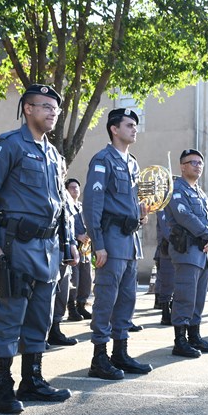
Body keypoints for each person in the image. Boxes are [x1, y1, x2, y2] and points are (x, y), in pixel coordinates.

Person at [0, 84, 76, 414]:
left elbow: (62, 204)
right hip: (16, 244)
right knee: (10, 315)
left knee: (40, 317)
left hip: (49, 247)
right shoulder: (10, 145)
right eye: (45, 106)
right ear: (28, 109)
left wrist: (68, 242)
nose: (52, 113)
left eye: (56, 109)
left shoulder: (54, 155)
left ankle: (31, 380)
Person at [83, 108, 152, 380]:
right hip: (110, 240)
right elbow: (92, 205)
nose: (134, 129)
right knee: (106, 299)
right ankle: (99, 357)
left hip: (130, 240)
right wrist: (98, 244)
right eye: (129, 125)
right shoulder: (103, 160)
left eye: (135, 125)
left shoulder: (132, 163)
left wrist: (139, 212)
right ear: (114, 129)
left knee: (127, 299)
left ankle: (119, 352)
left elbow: (129, 201)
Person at [165, 149, 208, 357]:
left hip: (202, 251)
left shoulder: (200, 192)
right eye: (193, 162)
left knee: (198, 298)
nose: (198, 166)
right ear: (182, 166)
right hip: (187, 249)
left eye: (200, 163)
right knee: (185, 296)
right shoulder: (176, 189)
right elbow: (185, 217)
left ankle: (194, 336)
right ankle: (180, 341)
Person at [48, 162, 80, 347]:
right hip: (48, 248)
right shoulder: (46, 186)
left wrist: (73, 245)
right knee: (47, 294)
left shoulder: (66, 194)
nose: (61, 170)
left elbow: (70, 222)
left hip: (64, 249)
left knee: (63, 292)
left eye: (63, 168)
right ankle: (40, 332)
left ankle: (55, 328)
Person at [65, 178, 92, 321]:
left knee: (86, 279)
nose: (75, 190)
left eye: (77, 187)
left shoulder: (82, 207)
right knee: (73, 279)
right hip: (72, 247)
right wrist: (78, 236)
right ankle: (72, 309)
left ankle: (82, 305)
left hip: (85, 249)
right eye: (72, 187)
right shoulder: (65, 206)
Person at [153, 209, 175, 326]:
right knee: (166, 284)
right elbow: (166, 231)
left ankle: (172, 311)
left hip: (175, 250)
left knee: (175, 284)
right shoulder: (163, 208)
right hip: (166, 251)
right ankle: (165, 314)